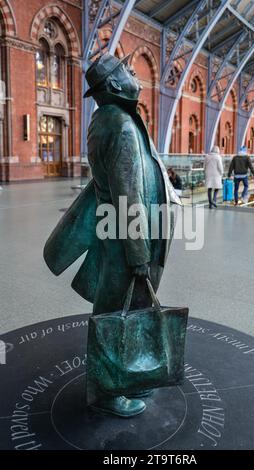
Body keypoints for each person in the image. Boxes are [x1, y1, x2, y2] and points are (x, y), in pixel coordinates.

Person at [43, 53, 181, 417]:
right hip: (125, 239)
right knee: (112, 311)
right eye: (130, 72)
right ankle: (106, 390)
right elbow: (128, 196)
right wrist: (138, 253)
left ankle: (127, 376)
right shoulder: (119, 125)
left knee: (129, 309)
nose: (136, 75)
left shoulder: (110, 119)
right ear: (116, 85)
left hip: (122, 234)